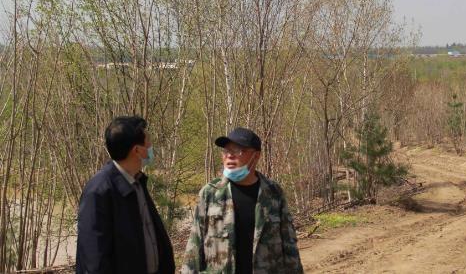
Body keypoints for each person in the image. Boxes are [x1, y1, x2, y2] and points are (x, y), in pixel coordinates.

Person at [182, 127, 303, 273]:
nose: (229, 156)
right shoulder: (210, 193)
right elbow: (194, 246)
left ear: (256, 156)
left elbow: (289, 244)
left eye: (238, 151)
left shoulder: (274, 193)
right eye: (226, 151)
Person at [76, 116, 175, 274]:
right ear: (137, 150)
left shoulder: (136, 182)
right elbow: (95, 261)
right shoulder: (98, 192)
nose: (151, 145)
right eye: (148, 141)